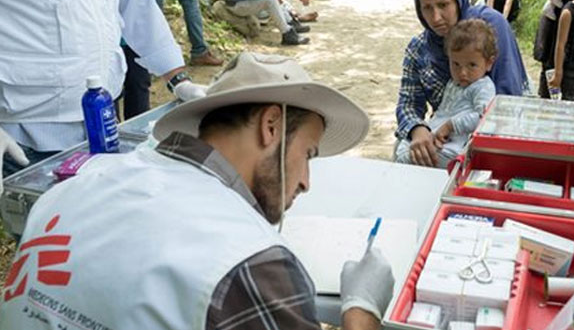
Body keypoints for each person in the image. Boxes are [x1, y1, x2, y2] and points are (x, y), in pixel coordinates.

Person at [0, 52, 396, 330]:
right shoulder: (252, 264)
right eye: (308, 154)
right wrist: (361, 310)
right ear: (271, 126)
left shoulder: (66, 193)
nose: (307, 180)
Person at [0, 0, 205, 191]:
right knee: (49, 235)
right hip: (25, 142)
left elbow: (138, 6)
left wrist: (177, 78)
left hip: (102, 128)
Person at [396, 0, 529, 168]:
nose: (436, 18)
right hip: (441, 137)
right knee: (402, 151)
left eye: (443, 5)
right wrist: (418, 130)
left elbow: (508, 99)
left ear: (458, 0)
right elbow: (408, 103)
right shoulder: (419, 49)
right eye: (427, 8)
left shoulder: (489, 27)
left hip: (490, 135)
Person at [395, 19, 497, 168]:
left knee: (405, 159)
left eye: (472, 65)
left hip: (453, 150)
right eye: (455, 64)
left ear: (488, 63)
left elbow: (484, 117)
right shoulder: (454, 83)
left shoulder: (483, 87)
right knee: (402, 146)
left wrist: (450, 126)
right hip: (437, 137)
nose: (462, 72)